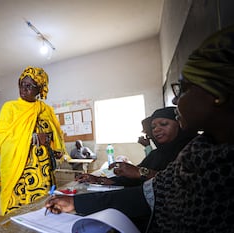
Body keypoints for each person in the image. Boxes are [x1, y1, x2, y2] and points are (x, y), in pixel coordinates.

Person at [45, 26, 234, 232]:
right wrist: (81, 200)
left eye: (185, 89)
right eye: (154, 127)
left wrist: (137, 173)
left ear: (218, 93)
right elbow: (150, 193)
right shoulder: (198, 152)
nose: (177, 99)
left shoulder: (215, 162)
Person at [0, 66, 66, 215]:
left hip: (43, 170)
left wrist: (53, 143)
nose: (23, 88)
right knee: (20, 211)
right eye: (22, 84)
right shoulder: (10, 107)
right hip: (20, 169)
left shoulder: (45, 110)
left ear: (40, 89)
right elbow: (1, 136)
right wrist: (33, 138)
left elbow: (56, 135)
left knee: (43, 209)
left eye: (29, 86)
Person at [76, 107, 197, 187]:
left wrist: (140, 172)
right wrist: (98, 180)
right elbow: (133, 179)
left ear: (180, 124)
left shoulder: (192, 151)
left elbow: (179, 182)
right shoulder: (156, 154)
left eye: (164, 124)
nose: (156, 130)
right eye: (153, 127)